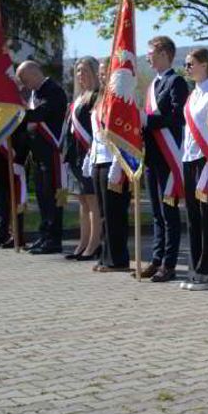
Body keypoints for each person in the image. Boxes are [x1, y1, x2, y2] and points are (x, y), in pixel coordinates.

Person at [141, 36, 189, 283]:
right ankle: (157, 259)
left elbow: (177, 117)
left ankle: (169, 265)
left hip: (169, 156)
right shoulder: (152, 85)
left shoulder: (176, 81)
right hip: (152, 156)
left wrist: (147, 121)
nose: (147, 56)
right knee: (157, 213)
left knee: (168, 213)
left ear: (163, 53)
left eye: (150, 52)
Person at [179, 48, 208, 290]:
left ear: (205, 65)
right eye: (186, 64)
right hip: (190, 160)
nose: (187, 68)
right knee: (193, 218)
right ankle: (196, 271)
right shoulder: (193, 94)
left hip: (207, 161)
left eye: (191, 64)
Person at [17, 60, 69, 255]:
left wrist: (18, 112)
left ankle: (54, 239)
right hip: (38, 155)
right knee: (42, 197)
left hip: (53, 154)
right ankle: (45, 234)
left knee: (54, 198)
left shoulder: (53, 90)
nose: (22, 83)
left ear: (33, 73)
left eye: (23, 78)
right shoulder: (35, 93)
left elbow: (39, 115)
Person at [89, 62, 131, 273]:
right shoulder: (100, 98)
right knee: (104, 213)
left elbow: (122, 136)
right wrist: (91, 156)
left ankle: (118, 260)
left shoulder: (119, 99)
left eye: (106, 72)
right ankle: (106, 256)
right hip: (99, 159)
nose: (103, 76)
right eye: (101, 73)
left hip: (113, 161)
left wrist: (118, 162)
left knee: (115, 213)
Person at [62, 57, 103, 261]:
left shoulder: (97, 96)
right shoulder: (78, 98)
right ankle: (83, 242)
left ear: (95, 72)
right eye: (78, 71)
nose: (81, 74)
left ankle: (94, 245)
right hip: (76, 157)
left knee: (92, 202)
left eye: (85, 70)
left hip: (89, 155)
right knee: (82, 201)